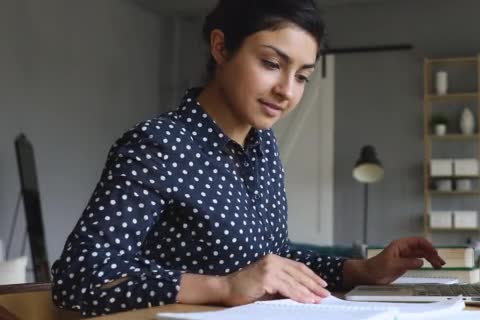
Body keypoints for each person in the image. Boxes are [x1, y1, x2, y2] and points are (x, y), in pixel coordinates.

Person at [51, 0, 445, 317]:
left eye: (302, 76)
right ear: (221, 47)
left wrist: (362, 270)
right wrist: (221, 287)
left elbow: (270, 260)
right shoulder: (158, 144)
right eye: (272, 64)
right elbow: (79, 278)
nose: (287, 91)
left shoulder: (263, 146)